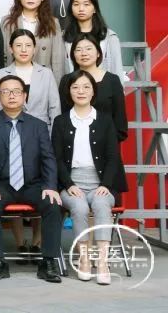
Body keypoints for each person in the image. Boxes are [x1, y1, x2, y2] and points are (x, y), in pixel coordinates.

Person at [0, 75, 64, 283]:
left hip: (32, 184)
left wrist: (50, 186)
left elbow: (48, 158)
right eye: (5, 91)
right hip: (1, 184)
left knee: (53, 203)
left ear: (25, 96)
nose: (11, 95)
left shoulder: (38, 125)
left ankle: (48, 262)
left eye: (16, 91)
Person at [52, 71, 125, 286]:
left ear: (94, 91)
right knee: (79, 207)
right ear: (69, 92)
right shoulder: (60, 121)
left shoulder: (105, 121)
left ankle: (102, 263)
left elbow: (113, 157)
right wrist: (69, 184)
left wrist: (106, 185)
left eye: (86, 87)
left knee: (102, 204)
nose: (81, 91)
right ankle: (84, 259)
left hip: (101, 183)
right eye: (75, 87)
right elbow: (56, 158)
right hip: (72, 182)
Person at [60, 36, 128, 141]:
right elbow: (63, 116)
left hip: (107, 144)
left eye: (88, 48)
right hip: (74, 143)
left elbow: (120, 122)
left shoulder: (112, 80)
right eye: (78, 50)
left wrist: (107, 143)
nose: (84, 53)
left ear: (98, 53)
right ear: (73, 55)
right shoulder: (66, 80)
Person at [2, 0, 66, 83]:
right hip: (13, 81)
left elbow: (58, 59)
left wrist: (57, 86)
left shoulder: (52, 22)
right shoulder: (8, 22)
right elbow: (3, 55)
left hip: (43, 80)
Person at [0, 29, 61, 127]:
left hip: (42, 129)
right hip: (10, 128)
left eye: (28, 45)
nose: (24, 50)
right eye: (18, 45)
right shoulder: (1, 74)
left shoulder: (46, 73)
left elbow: (55, 108)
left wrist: (53, 133)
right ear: (11, 48)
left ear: (34, 48)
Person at [62, 0, 124, 79]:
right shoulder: (63, 36)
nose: (81, 9)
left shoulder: (109, 36)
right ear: (71, 9)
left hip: (102, 85)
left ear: (95, 9)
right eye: (76, 4)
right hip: (74, 85)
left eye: (86, 4)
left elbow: (117, 68)